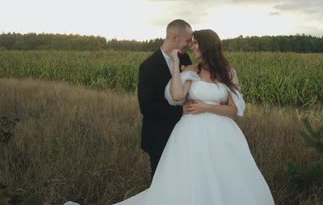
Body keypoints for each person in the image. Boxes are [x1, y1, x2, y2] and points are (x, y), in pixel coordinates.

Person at [115, 29, 274, 205]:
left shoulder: (228, 73)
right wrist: (176, 63)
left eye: (196, 43)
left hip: (221, 133)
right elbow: (176, 95)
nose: (193, 47)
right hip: (190, 132)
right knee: (191, 176)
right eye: (192, 42)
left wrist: (207, 107)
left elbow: (233, 110)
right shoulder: (193, 70)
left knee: (224, 174)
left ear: (208, 46)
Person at [137, 19, 194, 180]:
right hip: (159, 135)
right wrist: (180, 110)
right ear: (174, 37)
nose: (189, 44)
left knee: (181, 178)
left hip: (183, 132)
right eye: (187, 40)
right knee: (161, 180)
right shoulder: (149, 66)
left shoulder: (185, 59)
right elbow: (146, 107)